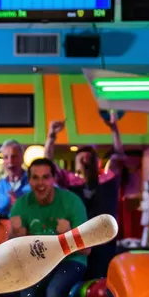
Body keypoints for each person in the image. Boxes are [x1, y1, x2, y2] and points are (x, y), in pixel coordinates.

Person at [9, 158, 88, 297]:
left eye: (45, 177)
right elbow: (12, 250)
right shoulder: (21, 205)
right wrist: (16, 236)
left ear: (54, 179)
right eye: (35, 178)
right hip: (38, 264)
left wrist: (68, 235)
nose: (40, 183)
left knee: (54, 291)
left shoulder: (72, 201)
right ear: (29, 180)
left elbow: (86, 249)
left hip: (70, 260)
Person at [45, 113, 125, 278]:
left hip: (105, 244)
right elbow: (47, 164)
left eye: (89, 158)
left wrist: (114, 130)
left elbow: (119, 156)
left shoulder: (108, 179)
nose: (85, 161)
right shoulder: (70, 182)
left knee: (102, 282)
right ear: (75, 164)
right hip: (79, 245)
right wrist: (51, 136)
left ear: (97, 162)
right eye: (81, 158)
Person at [0, 140, 31, 217]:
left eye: (14, 156)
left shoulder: (34, 183)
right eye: (6, 157)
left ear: (22, 158)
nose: (10, 161)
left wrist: (19, 206)